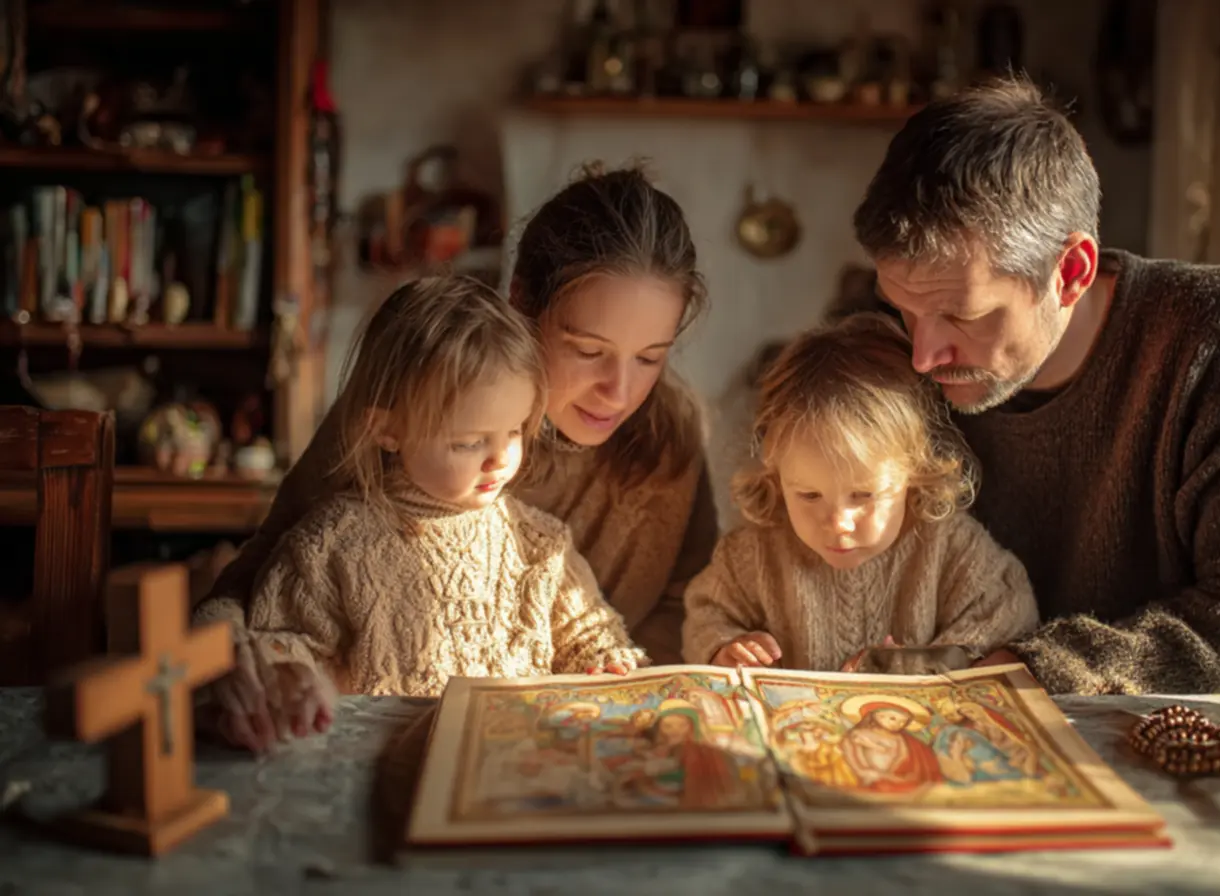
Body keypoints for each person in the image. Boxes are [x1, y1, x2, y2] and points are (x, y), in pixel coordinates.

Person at [194, 164, 717, 749]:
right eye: (588, 350)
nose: (619, 392)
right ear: (521, 301)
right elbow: (270, 573)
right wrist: (238, 666)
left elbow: (685, 608)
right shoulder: (418, 400)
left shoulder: (671, 437)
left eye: (649, 357)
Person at [850, 76, 1220, 695]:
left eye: (963, 316)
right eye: (903, 308)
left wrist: (1035, 668)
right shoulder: (883, 353)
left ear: (1071, 272)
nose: (922, 356)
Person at [205, 277, 645, 750]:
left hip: (516, 768)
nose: (500, 460)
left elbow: (588, 630)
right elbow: (281, 641)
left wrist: (603, 658)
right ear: (387, 429)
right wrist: (291, 680)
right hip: (387, 769)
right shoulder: (332, 543)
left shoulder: (540, 544)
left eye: (515, 432)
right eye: (470, 442)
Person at [681, 313, 1039, 672]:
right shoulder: (753, 554)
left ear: (914, 474)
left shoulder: (949, 547)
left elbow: (1010, 614)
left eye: (864, 495)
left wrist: (927, 662)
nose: (838, 523)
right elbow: (706, 614)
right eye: (809, 495)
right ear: (775, 476)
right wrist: (724, 648)